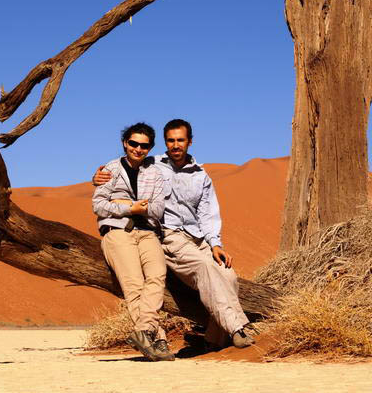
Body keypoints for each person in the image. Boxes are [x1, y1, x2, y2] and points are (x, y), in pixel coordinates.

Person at [93, 119, 254, 350]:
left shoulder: (201, 175)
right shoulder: (153, 165)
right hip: (171, 236)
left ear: (190, 141)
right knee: (205, 268)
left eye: (180, 140)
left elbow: (207, 214)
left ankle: (213, 340)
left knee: (228, 276)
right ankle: (238, 329)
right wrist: (96, 179)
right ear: (165, 143)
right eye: (171, 140)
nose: (175, 145)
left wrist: (215, 244)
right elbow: (125, 168)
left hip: (198, 238)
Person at [92, 122, 174, 361]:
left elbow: (157, 209)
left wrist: (121, 203)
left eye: (144, 146)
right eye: (133, 144)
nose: (138, 149)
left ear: (150, 148)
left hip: (148, 232)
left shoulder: (155, 172)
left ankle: (142, 331)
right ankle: (158, 338)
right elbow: (98, 205)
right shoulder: (111, 169)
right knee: (135, 286)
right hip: (117, 232)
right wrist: (131, 207)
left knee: (157, 276)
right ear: (124, 143)